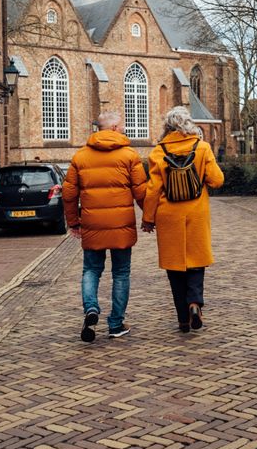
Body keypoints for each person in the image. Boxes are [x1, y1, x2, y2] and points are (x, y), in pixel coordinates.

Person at [63, 112, 147, 342]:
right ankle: (116, 324)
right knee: (121, 273)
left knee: (91, 271)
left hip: (92, 225)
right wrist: (149, 218)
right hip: (121, 226)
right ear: (113, 128)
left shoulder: (80, 157)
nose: (124, 129)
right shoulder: (130, 155)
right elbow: (141, 192)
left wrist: (73, 222)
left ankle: (91, 309)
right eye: (122, 126)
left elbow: (68, 194)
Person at [142, 106, 225, 333]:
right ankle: (195, 303)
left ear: (168, 127)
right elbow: (217, 180)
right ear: (189, 123)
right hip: (196, 213)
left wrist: (148, 219)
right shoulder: (203, 147)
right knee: (196, 262)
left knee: (174, 266)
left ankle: (182, 319)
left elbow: (152, 190)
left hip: (169, 215)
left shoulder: (158, 152)